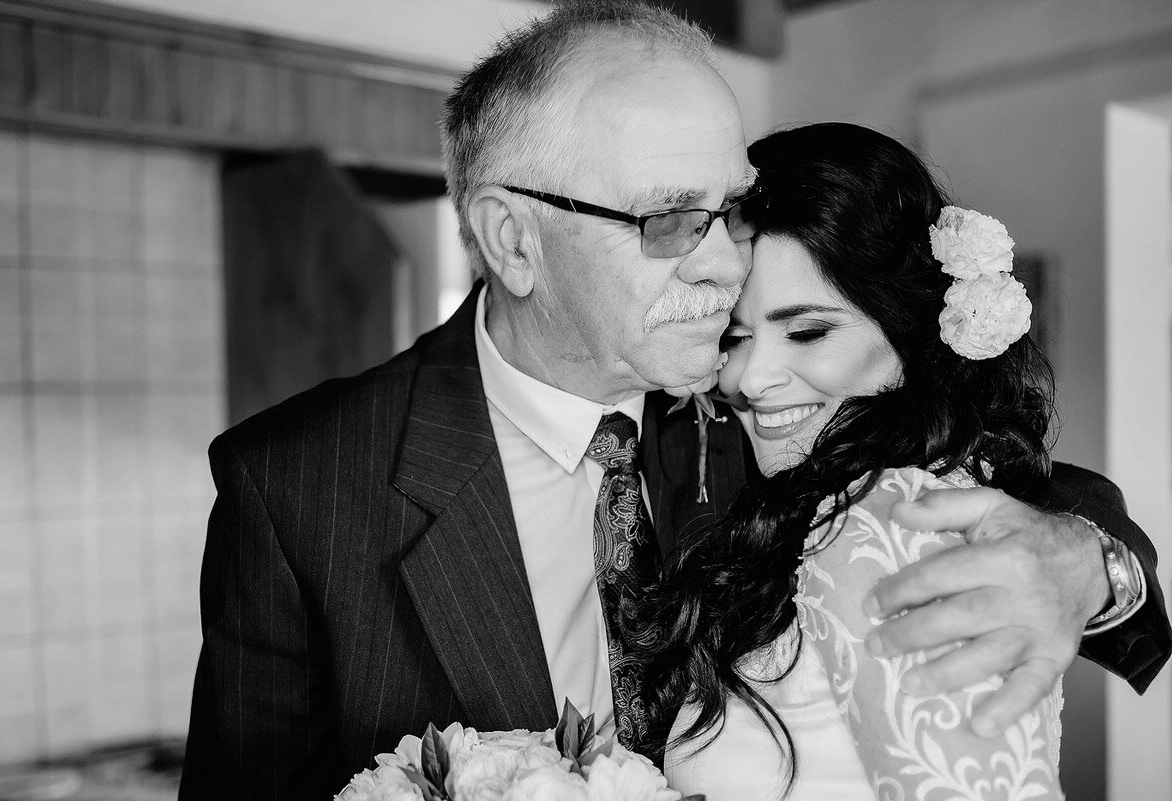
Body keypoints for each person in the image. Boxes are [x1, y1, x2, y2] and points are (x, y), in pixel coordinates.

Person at [178, 3, 1169, 799]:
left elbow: (1016, 490)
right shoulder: (296, 485)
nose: (722, 261)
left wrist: (1091, 567)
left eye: (729, 208)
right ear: (515, 240)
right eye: (668, 219)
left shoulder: (764, 414)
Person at [655, 122, 1167, 800]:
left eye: (807, 331)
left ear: (908, 332)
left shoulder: (896, 517)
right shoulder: (706, 432)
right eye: (736, 335)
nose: (751, 378)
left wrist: (1092, 562)